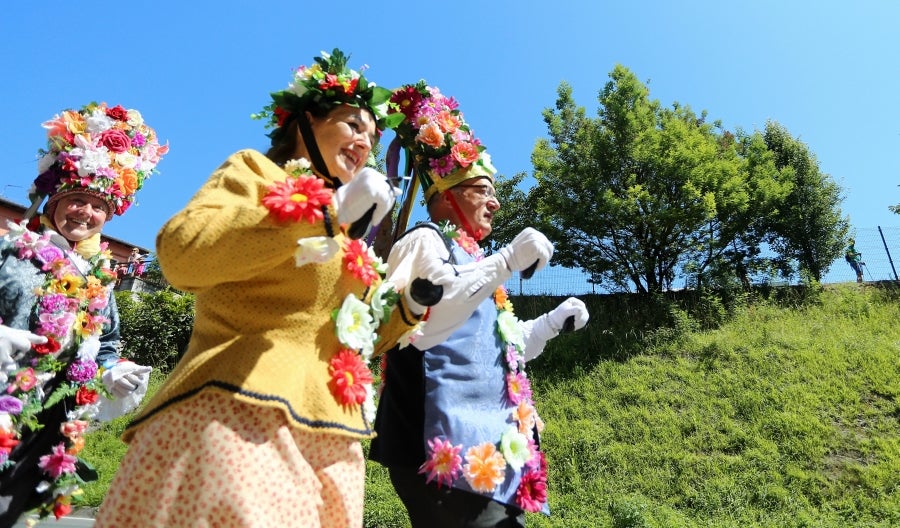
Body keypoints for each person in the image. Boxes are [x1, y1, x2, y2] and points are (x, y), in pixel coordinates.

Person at [96, 49, 433, 527]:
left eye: (373, 137)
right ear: (305, 121)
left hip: (336, 439)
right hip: (240, 411)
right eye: (354, 125)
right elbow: (181, 254)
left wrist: (412, 304)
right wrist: (321, 213)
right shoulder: (256, 171)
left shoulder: (355, 232)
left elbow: (355, 337)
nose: (365, 142)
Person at [370, 82, 590, 527]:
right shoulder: (424, 239)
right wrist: (507, 260)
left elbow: (498, 351)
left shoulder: (479, 264)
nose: (496, 201)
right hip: (442, 450)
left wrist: (549, 324)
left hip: (488, 453)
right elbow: (423, 319)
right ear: (445, 194)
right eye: (482, 189)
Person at [0, 102, 164, 526]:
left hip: (50, 422)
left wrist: (113, 370)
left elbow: (105, 343)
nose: (85, 213)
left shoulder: (99, 280)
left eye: (97, 206)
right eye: (76, 199)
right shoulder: (12, 252)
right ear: (53, 200)